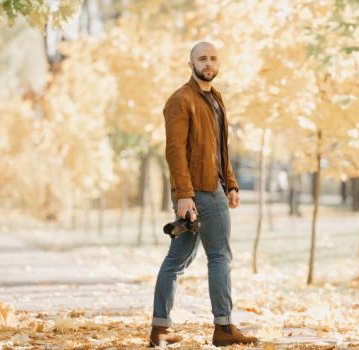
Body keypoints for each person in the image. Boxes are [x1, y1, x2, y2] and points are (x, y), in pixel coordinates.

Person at [148, 42, 258, 347]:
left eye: (212, 58)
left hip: (213, 187)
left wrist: (232, 184)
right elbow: (174, 151)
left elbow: (221, 148)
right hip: (201, 191)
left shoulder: (215, 97)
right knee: (220, 256)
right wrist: (184, 195)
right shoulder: (180, 100)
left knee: (177, 260)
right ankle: (224, 328)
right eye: (202, 58)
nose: (208, 63)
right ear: (190, 64)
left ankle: (160, 329)